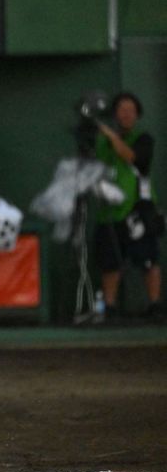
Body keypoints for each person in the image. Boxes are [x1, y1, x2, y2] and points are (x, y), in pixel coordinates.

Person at [93, 91, 162, 318]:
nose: (126, 115)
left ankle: (154, 305)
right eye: (122, 111)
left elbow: (131, 157)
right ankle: (110, 307)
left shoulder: (143, 139)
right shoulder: (101, 143)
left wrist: (111, 136)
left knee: (148, 258)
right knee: (110, 260)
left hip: (138, 209)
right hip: (109, 210)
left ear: (138, 115)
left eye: (131, 111)